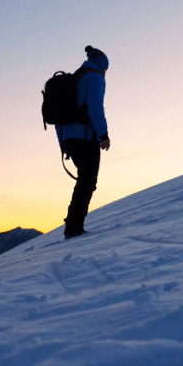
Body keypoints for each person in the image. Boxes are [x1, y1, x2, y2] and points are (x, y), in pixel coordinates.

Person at [56, 46, 109, 239]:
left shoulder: (72, 80)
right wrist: (103, 134)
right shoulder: (95, 77)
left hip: (70, 139)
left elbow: (59, 118)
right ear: (102, 66)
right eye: (106, 69)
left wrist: (63, 142)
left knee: (84, 180)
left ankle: (73, 223)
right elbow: (95, 107)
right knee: (88, 181)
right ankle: (73, 227)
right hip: (86, 138)